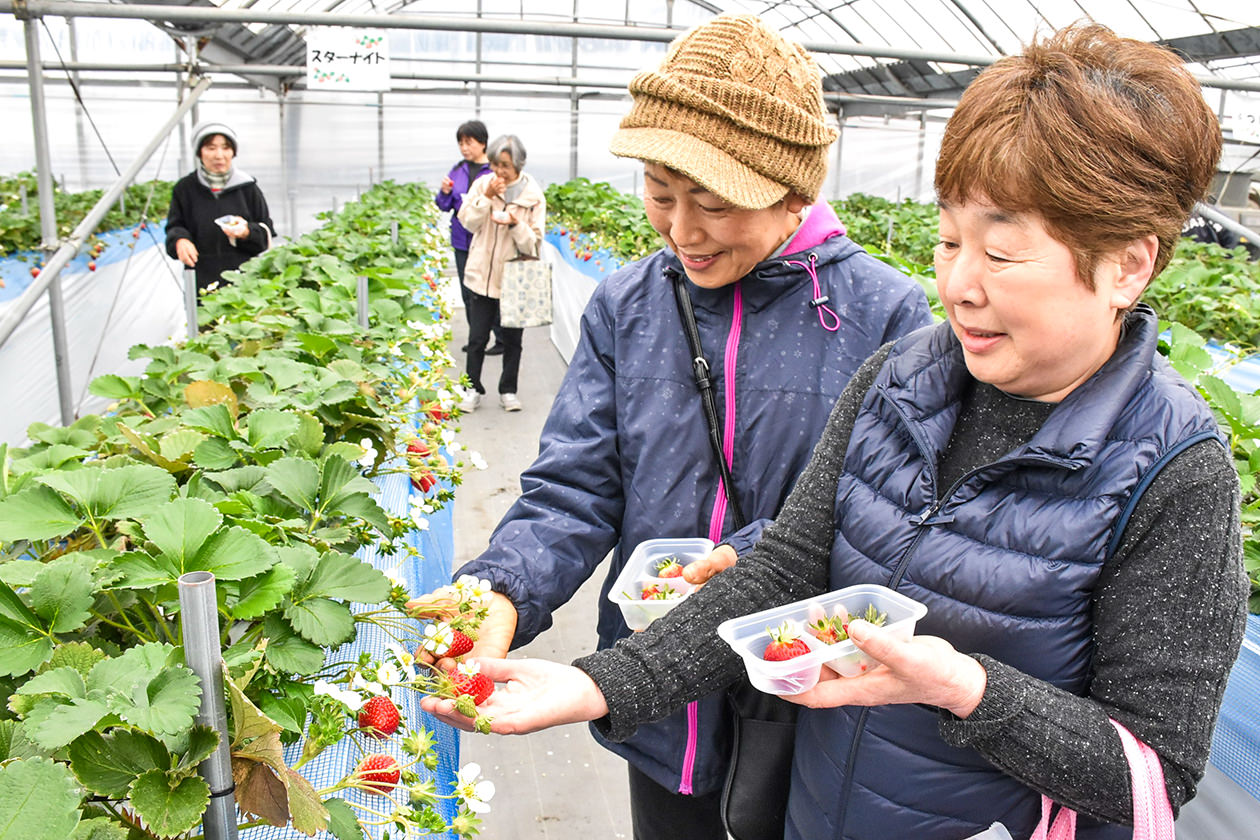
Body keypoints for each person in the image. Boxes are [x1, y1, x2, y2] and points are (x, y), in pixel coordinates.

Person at [421, 24, 1250, 840]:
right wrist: (591, 683)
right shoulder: (899, 378)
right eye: (949, 240)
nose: (959, 284)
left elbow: (1154, 772)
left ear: (1129, 266)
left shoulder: (1174, 471)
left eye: (999, 254)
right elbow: (788, 563)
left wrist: (967, 689)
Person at [417, 14, 932, 840]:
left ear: (793, 191)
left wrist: (751, 562)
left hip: (807, 701)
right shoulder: (632, 304)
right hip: (658, 708)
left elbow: (883, 519)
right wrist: (504, 590)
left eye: (715, 204)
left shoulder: (882, 314)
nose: (682, 231)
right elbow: (577, 484)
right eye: (661, 193)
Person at [455, 134, 547, 413]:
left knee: (512, 340)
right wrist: (485, 199)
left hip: (516, 277)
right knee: (477, 338)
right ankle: (472, 388)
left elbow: (534, 243)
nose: (499, 172)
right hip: (482, 274)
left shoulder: (533, 196)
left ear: (518, 164)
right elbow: (467, 222)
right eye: (495, 164)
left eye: (505, 165)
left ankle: (508, 390)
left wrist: (514, 222)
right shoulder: (483, 184)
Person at [165, 121, 274, 293]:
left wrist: (246, 232)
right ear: (199, 152)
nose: (219, 155)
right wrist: (180, 240)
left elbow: (266, 232)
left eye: (226, 148)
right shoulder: (185, 189)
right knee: (205, 319)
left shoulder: (247, 187)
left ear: (233, 152)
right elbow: (175, 226)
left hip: (245, 282)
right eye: (210, 148)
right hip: (202, 281)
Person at [435, 120, 506, 356]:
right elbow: (445, 206)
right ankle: (477, 337)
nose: (464, 148)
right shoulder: (457, 170)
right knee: (469, 293)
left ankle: (501, 338)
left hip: (488, 241)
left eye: (469, 142)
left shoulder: (495, 171)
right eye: (461, 143)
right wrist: (444, 193)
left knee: (491, 290)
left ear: (483, 143)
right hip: (462, 240)